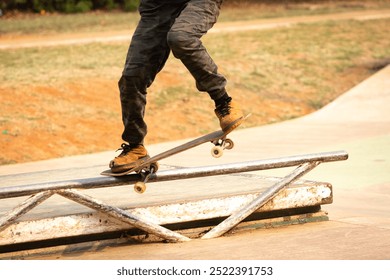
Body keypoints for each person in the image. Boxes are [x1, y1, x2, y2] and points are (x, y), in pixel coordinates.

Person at [109, 0, 244, 173]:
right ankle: (135, 148)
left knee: (181, 37)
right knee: (132, 77)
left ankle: (224, 102)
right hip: (157, 6)